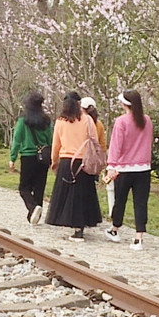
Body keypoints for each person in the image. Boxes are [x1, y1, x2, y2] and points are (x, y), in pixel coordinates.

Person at [45, 92, 102, 241]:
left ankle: (72, 224)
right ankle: (80, 226)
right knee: (82, 195)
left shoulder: (60, 121)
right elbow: (94, 140)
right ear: (79, 104)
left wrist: (54, 161)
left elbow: (56, 144)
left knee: (68, 195)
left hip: (66, 162)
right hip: (83, 162)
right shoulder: (87, 120)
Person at [104, 90, 154, 251]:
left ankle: (115, 229)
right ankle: (139, 237)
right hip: (143, 168)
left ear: (125, 104)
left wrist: (111, 165)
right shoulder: (147, 121)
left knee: (120, 200)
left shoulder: (121, 121)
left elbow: (116, 145)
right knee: (141, 203)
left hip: (124, 168)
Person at [9, 92, 53, 224]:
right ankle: (34, 217)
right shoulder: (47, 121)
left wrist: (12, 158)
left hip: (28, 157)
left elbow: (17, 140)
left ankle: (33, 208)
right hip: (43, 157)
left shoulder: (23, 121)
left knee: (24, 188)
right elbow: (51, 139)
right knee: (39, 187)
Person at [80, 96, 111, 218]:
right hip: (94, 161)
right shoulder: (99, 124)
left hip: (83, 159)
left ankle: (82, 214)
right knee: (91, 188)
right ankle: (90, 214)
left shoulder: (82, 122)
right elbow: (102, 145)